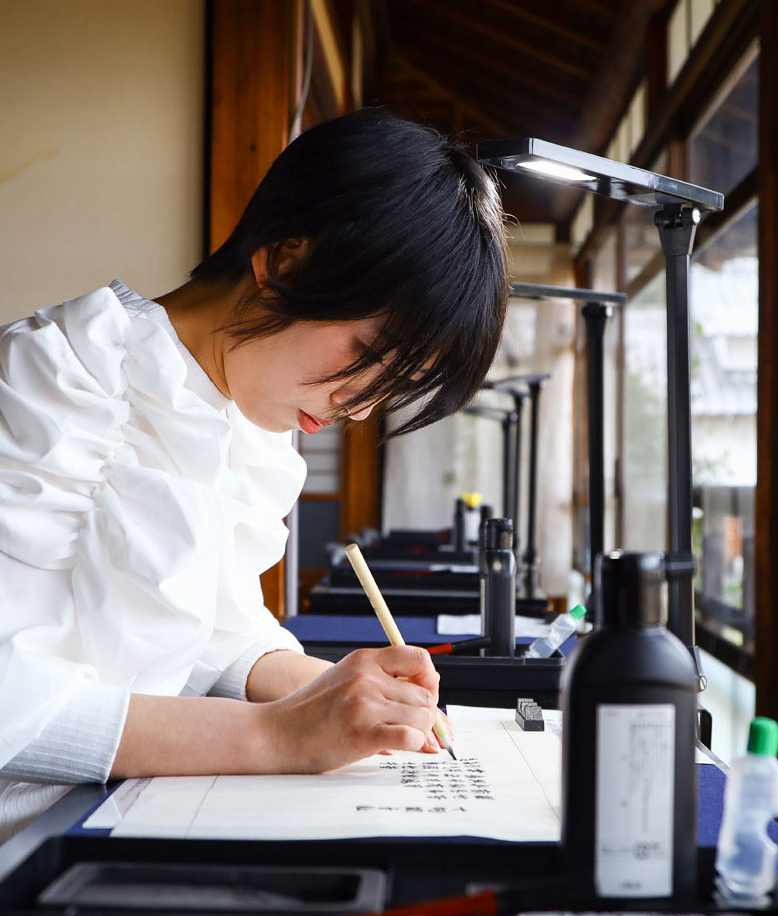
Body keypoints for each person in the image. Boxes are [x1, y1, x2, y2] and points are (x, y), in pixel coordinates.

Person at [0, 107, 509, 841]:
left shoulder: (249, 415)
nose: (358, 408)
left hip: (116, 821)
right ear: (287, 259)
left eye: (391, 387)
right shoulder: (53, 379)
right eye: (368, 355)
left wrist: (331, 691)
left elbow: (214, 632)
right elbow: (13, 703)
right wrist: (277, 737)